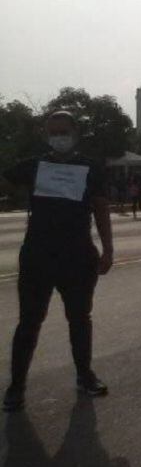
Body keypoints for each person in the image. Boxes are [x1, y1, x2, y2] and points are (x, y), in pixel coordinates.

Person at [2, 111, 113, 412]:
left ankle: (84, 376)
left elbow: (101, 209)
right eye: (54, 132)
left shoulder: (90, 168)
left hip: (78, 256)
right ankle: (16, 387)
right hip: (37, 256)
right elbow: (7, 181)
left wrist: (108, 251)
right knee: (29, 322)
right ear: (45, 135)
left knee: (79, 319)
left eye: (64, 131)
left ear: (75, 133)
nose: (59, 137)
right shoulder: (34, 166)